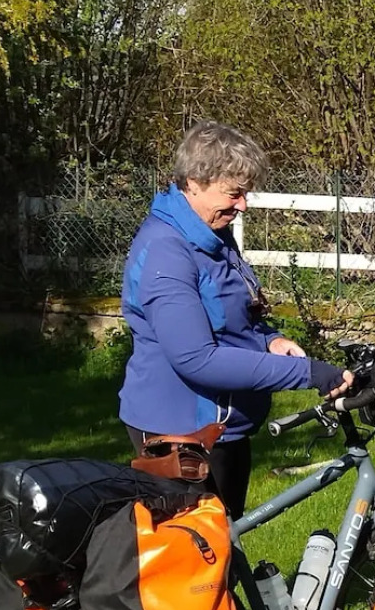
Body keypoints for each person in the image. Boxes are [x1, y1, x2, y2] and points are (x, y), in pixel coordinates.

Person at [119, 120, 352, 518]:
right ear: (194, 182)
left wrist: (269, 340)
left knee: (226, 549)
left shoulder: (213, 235)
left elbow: (233, 315)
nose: (243, 204)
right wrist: (309, 373)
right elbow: (196, 358)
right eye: (234, 193)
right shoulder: (167, 253)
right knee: (196, 566)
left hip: (224, 428)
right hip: (178, 435)